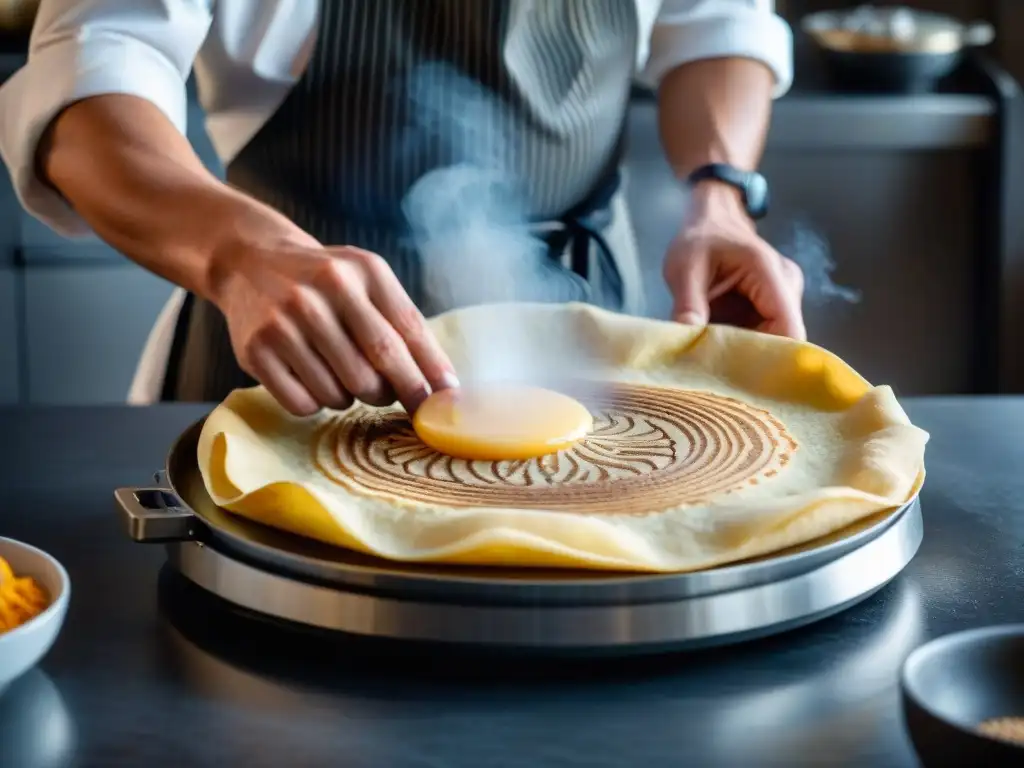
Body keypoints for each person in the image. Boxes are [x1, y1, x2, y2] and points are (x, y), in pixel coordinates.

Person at [0, 0, 805, 418]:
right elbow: (88, 79)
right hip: (292, 363)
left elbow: (716, 26)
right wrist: (238, 250)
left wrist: (723, 199)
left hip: (590, 327)